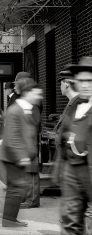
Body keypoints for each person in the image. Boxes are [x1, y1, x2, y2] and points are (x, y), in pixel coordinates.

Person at [0, 77, 43, 227]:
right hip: (13, 157)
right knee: (16, 189)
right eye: (36, 93)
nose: (39, 96)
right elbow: (13, 137)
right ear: (27, 93)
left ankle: (9, 218)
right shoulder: (15, 110)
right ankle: (9, 220)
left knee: (16, 188)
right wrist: (22, 157)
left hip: (18, 156)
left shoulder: (26, 108)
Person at [57, 57, 92, 234]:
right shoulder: (76, 106)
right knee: (70, 222)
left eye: (90, 81)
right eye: (81, 81)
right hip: (72, 170)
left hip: (88, 171)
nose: (85, 85)